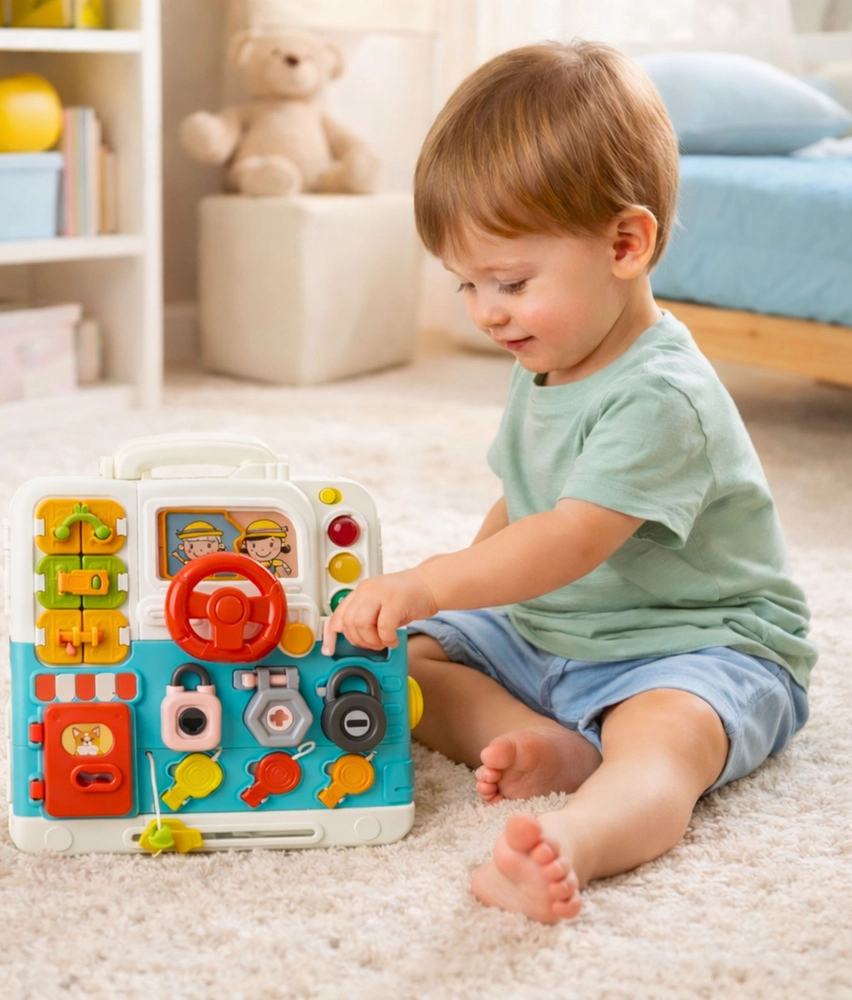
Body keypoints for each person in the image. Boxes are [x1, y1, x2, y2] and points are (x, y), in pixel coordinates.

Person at [321, 40, 814, 924]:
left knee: (664, 741)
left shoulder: (661, 396)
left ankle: (576, 838)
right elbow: (525, 500)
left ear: (626, 244)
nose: (485, 310)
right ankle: (549, 740)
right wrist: (446, 608)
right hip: (556, 631)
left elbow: (569, 536)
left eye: (509, 281)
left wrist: (432, 579)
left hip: (693, 645)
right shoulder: (552, 351)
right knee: (404, 662)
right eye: (466, 283)